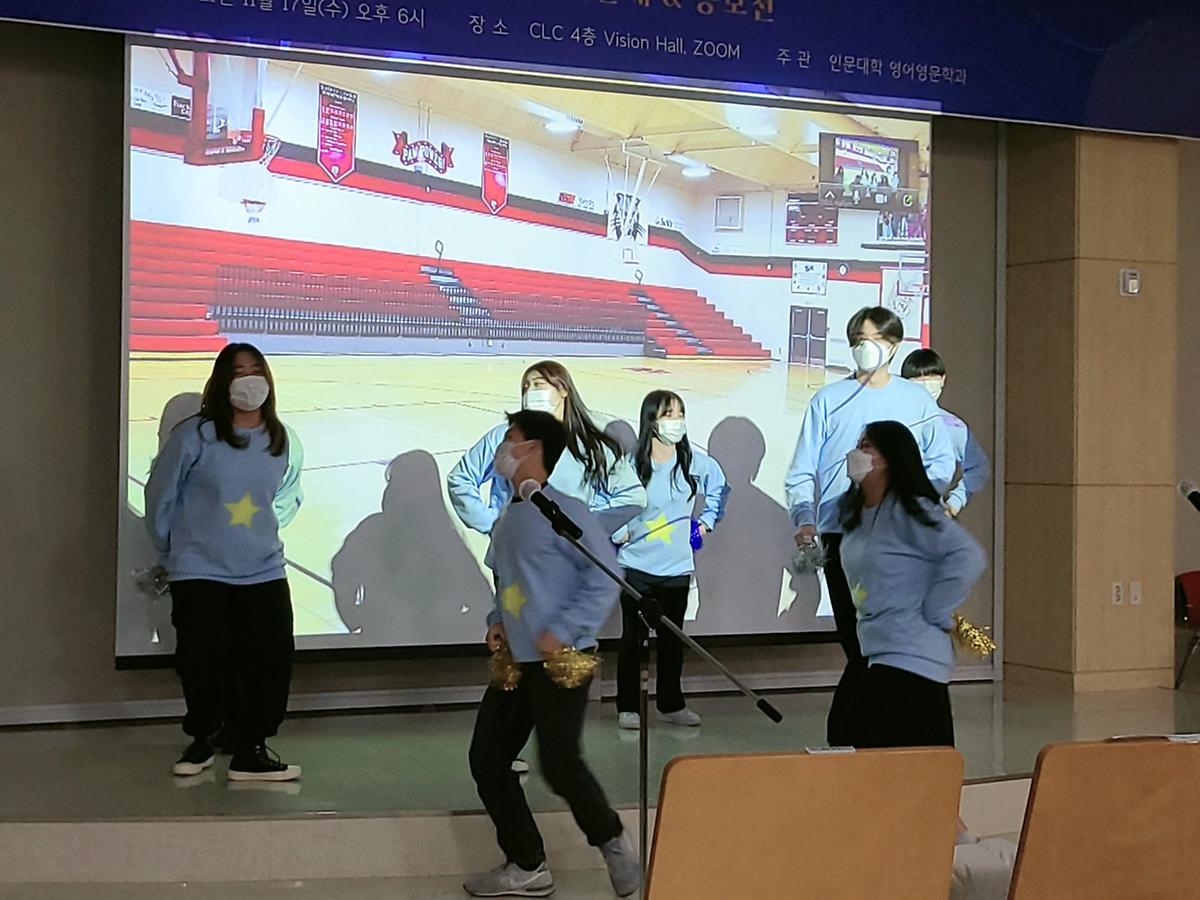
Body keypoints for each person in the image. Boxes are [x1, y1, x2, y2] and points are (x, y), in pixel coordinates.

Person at [465, 411, 640, 899]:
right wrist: (497, 619)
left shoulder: (565, 511)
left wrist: (562, 630)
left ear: (535, 449)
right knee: (488, 758)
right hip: (516, 663)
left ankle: (613, 842)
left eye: (511, 439)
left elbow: (604, 576)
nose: (503, 449)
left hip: (560, 661)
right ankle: (527, 863)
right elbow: (509, 582)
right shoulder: (508, 518)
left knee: (560, 764)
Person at [784, 306, 956, 746]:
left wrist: (915, 500)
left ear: (894, 347)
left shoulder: (915, 401)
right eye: (859, 340)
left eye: (875, 340)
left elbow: (940, 461)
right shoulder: (828, 400)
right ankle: (850, 739)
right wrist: (805, 518)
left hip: (899, 534)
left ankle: (860, 739)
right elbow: (802, 469)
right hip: (842, 533)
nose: (866, 348)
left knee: (890, 642)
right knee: (858, 639)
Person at [144, 343, 304, 781]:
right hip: (199, 570)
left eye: (256, 370)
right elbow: (161, 495)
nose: (249, 380)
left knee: (271, 661)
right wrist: (171, 550)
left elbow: (285, 497)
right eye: (238, 372)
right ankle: (203, 739)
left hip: (264, 570)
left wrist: (259, 537)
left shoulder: (281, 439)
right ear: (221, 382)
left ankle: (252, 747)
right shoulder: (194, 436)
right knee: (202, 661)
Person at [835, 421, 986, 749]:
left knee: (853, 739)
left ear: (890, 458)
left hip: (912, 656)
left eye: (866, 447)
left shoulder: (912, 511)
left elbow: (968, 556)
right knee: (849, 737)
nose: (856, 454)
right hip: (878, 651)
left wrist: (937, 609)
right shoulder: (858, 514)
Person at [614, 391, 727, 730]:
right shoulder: (629, 465)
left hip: (676, 568)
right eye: (668, 414)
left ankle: (670, 704)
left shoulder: (695, 463)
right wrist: (619, 531)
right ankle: (628, 707)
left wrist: (704, 524)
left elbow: (720, 489)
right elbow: (605, 501)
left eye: (680, 413)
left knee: (671, 640)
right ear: (651, 420)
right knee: (632, 640)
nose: (676, 421)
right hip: (635, 567)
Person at [448, 359, 646, 543]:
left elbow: (632, 495)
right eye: (526, 387)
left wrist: (588, 527)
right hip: (515, 555)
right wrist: (493, 524)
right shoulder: (503, 436)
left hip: (568, 558)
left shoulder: (590, 444)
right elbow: (460, 479)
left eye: (538, 384)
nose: (530, 392)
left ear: (563, 390)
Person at [901, 348, 991, 518]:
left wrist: (955, 502)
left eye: (932, 377)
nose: (926, 384)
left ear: (943, 380)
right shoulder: (890, 420)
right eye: (918, 379)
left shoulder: (954, 427)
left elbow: (978, 467)